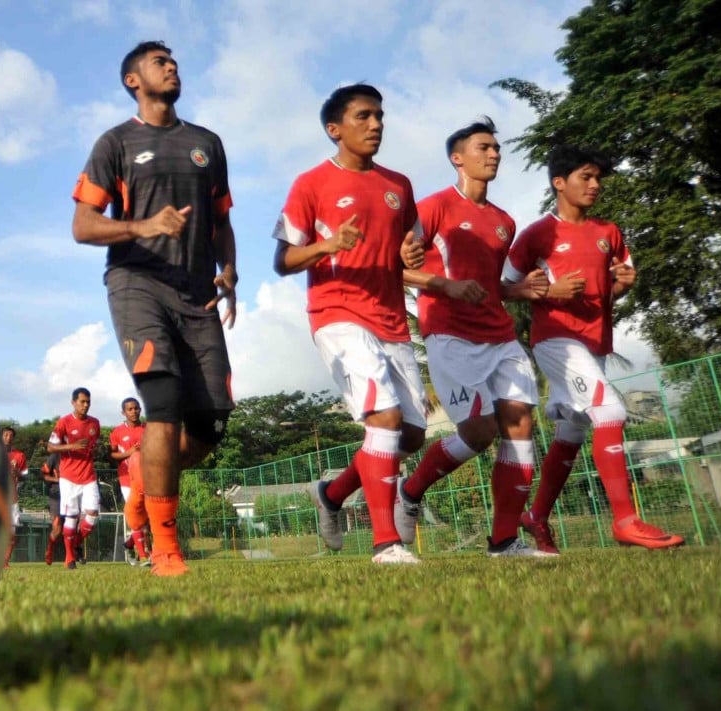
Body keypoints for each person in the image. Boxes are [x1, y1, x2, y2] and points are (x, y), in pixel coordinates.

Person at [72, 41, 238, 577]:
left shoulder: (206, 143)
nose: (171, 66)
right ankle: (165, 548)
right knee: (162, 404)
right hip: (137, 285)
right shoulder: (116, 142)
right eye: (158, 62)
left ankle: (147, 474)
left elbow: (220, 221)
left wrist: (229, 271)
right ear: (132, 80)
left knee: (210, 424)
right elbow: (83, 225)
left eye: (174, 60)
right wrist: (142, 226)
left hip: (198, 295)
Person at [274, 84, 428, 564]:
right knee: (384, 416)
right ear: (334, 129)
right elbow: (283, 260)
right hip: (337, 314)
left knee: (411, 436)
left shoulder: (399, 185)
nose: (376, 124)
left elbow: (410, 248)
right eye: (364, 116)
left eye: (380, 115)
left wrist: (412, 256)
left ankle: (333, 494)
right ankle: (386, 543)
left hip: (391, 320)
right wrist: (327, 246)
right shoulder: (310, 183)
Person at [504, 144, 683, 552]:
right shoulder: (537, 234)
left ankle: (536, 516)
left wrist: (621, 285)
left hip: (595, 342)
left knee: (572, 430)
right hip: (555, 340)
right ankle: (625, 520)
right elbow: (503, 288)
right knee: (611, 410)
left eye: (598, 177)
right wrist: (548, 290)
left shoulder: (610, 233)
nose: (595, 184)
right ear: (559, 182)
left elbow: (610, 290)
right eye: (586, 176)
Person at [392, 117, 556, 557]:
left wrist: (518, 290)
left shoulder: (505, 221)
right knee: (480, 431)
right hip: (449, 335)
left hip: (500, 335)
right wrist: (444, 286)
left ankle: (503, 541)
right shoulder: (433, 207)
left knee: (521, 427)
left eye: (497, 149)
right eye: (484, 147)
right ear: (457, 157)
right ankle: (410, 490)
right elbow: (395, 267)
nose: (494, 154)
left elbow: (486, 281)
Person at [46, 388, 102, 569]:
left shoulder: (95, 423)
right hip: (68, 478)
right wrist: (71, 445)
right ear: (73, 402)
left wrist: (96, 450)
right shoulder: (64, 422)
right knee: (71, 518)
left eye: (88, 402)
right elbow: (50, 447)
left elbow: (94, 445)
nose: (86, 405)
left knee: (92, 513)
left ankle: (74, 542)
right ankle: (69, 557)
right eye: (82, 401)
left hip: (88, 476)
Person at [110, 397, 150, 565]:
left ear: (140, 409)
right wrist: (129, 452)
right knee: (136, 517)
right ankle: (144, 556)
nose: (133, 411)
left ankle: (128, 545)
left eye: (136, 408)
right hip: (127, 480)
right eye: (130, 409)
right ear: (123, 412)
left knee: (148, 520)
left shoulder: (148, 429)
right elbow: (112, 455)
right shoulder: (117, 432)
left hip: (148, 479)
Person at [1, 426, 29, 568]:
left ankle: (5, 561)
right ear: (1, 436)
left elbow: (25, 477)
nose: (8, 437)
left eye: (11, 435)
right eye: (5, 435)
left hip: (12, 499)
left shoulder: (20, 456)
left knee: (11, 533)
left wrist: (17, 474)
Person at [40, 452, 64, 564]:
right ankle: (49, 549)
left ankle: (74, 554)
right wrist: (57, 480)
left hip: (73, 494)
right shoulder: (55, 457)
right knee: (57, 528)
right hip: (56, 495)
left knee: (73, 527)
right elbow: (42, 474)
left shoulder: (76, 456)